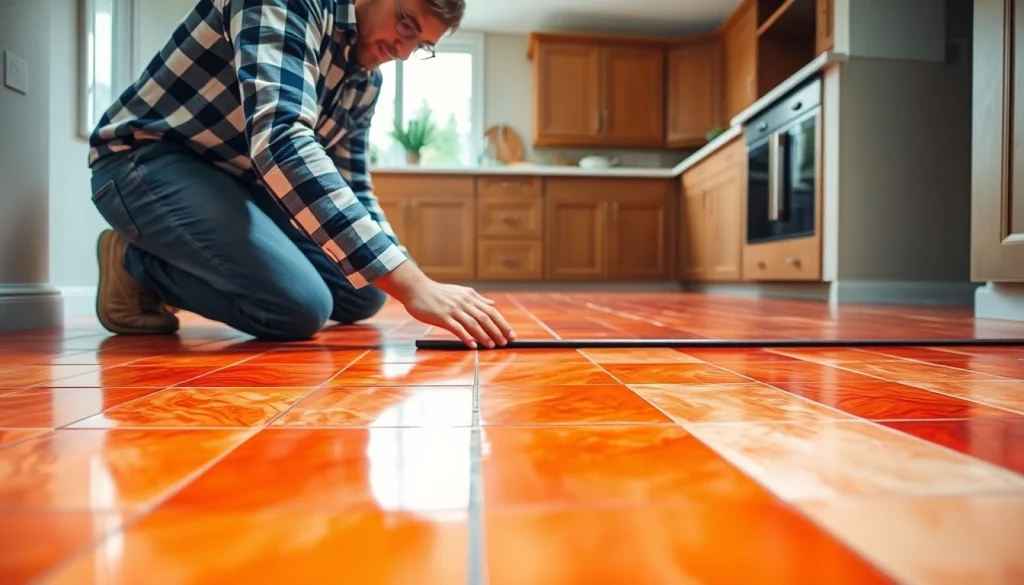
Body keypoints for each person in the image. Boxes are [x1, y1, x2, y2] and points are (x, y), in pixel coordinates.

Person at [86, 0, 513, 349]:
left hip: (241, 185)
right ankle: (134, 264)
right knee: (299, 309)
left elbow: (352, 183)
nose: (402, 51)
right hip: (143, 160)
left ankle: (172, 252)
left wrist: (407, 274)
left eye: (420, 45)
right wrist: (415, 284)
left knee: (363, 292)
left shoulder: (365, 82)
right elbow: (281, 140)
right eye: (405, 24)